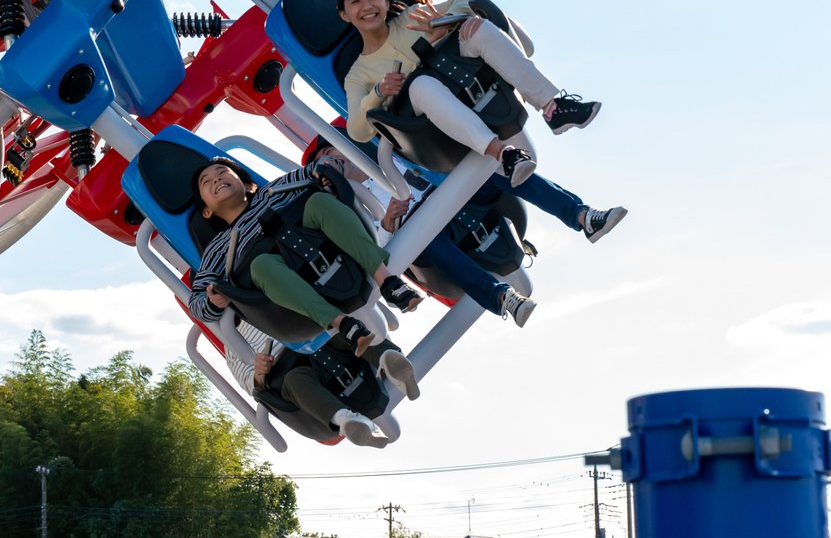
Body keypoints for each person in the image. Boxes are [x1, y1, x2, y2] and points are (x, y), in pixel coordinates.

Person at [306, 132, 627, 326]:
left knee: (496, 170)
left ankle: (582, 216)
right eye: (324, 162)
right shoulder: (351, 207)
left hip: (459, 197)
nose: (332, 159)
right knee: (427, 242)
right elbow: (378, 247)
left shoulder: (388, 153)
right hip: (430, 231)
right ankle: (501, 299)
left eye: (331, 150)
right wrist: (389, 220)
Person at [336, 0, 602, 184]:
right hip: (432, 133)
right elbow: (358, 131)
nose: (367, 5)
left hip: (466, 87)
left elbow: (466, 2)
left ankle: (553, 107)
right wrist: (379, 93)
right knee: (421, 85)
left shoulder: (412, 17)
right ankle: (504, 154)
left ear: (385, 0)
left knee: (475, 25)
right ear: (345, 14)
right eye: (355, 1)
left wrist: (443, 21)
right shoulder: (358, 74)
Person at [187, 156, 422, 356]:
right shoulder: (218, 248)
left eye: (222, 172)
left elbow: (322, 166)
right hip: (288, 300)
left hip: (332, 250)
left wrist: (328, 170)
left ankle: (388, 281)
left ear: (248, 185)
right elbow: (196, 303)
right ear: (207, 211)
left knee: (318, 200)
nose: (216, 178)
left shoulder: (273, 191)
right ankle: (343, 324)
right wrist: (213, 301)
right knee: (259, 265)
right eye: (206, 182)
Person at [226, 320, 419, 448]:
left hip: (321, 340)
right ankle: (347, 420)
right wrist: (260, 372)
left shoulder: (265, 290)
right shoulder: (231, 341)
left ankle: (391, 361)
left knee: (345, 330)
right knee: (295, 381)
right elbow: (255, 387)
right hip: (291, 371)